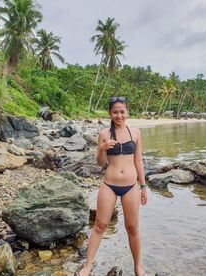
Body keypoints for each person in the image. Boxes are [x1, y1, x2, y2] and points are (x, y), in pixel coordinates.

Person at [78, 96, 148, 276]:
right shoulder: (104, 134)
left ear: (127, 112)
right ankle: (87, 266)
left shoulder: (136, 133)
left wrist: (143, 186)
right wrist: (102, 148)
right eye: (115, 112)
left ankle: (137, 266)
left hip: (131, 186)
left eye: (122, 112)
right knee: (100, 225)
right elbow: (100, 163)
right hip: (109, 185)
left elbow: (138, 161)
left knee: (132, 227)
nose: (119, 115)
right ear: (110, 114)